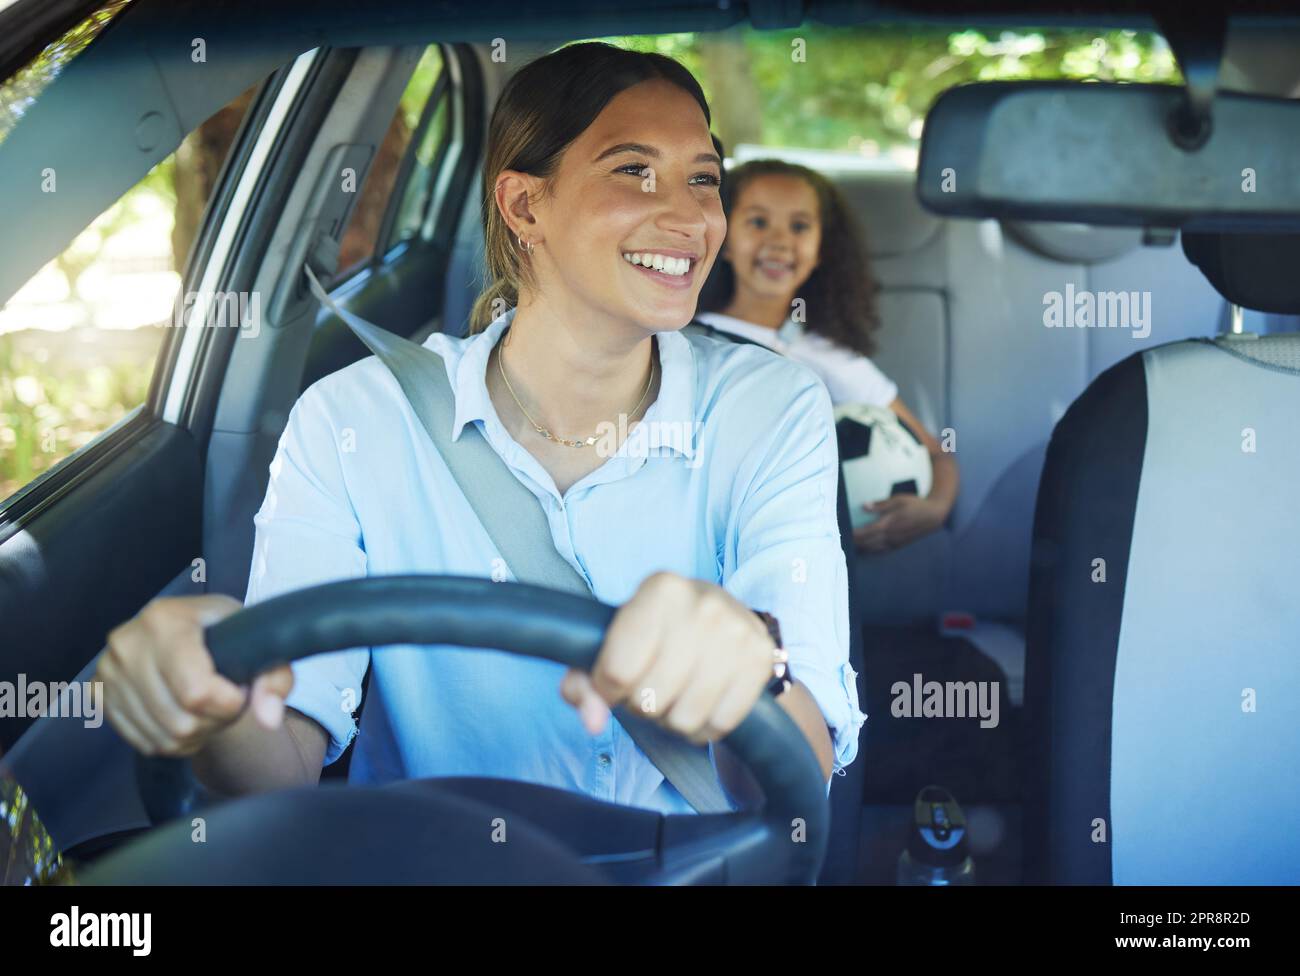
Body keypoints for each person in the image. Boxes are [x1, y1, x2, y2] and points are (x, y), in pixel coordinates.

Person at [96, 43, 865, 815]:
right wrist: (213, 699)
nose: (691, 215)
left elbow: (803, 767)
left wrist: (751, 676)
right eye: (635, 171)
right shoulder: (351, 423)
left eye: (704, 178)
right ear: (525, 206)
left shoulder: (772, 406)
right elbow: (283, 759)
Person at [695, 158, 959, 553]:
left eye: (799, 226)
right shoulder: (681, 333)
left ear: (821, 250)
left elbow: (937, 454)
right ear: (724, 239)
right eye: (758, 222)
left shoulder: (826, 355)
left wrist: (934, 508)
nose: (779, 241)